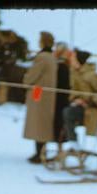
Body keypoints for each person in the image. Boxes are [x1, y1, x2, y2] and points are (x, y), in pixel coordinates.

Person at [23, 31, 58, 163]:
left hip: (39, 92)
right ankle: (40, 152)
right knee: (41, 124)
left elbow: (33, 75)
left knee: (37, 123)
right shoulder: (51, 56)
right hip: (46, 94)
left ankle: (39, 153)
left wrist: (25, 81)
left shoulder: (42, 56)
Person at [63, 49, 97, 148]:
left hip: (96, 111)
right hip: (84, 109)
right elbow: (73, 92)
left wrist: (88, 101)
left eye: (73, 58)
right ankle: (73, 142)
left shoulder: (92, 76)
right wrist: (76, 99)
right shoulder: (75, 74)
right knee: (67, 112)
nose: (71, 61)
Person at [53, 42, 71, 147]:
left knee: (59, 125)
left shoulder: (61, 66)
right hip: (60, 100)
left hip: (59, 101)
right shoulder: (63, 66)